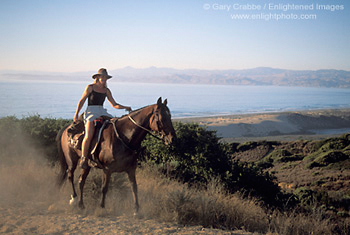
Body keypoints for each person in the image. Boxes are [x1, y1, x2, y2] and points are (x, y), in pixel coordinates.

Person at [73, 68, 132, 169]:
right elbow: (81, 101)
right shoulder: (90, 87)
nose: (104, 79)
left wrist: (125, 107)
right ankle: (84, 158)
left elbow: (114, 104)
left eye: (106, 77)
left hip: (102, 111)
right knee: (89, 133)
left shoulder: (106, 90)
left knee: (115, 124)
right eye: (102, 77)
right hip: (91, 112)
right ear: (98, 77)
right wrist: (76, 114)